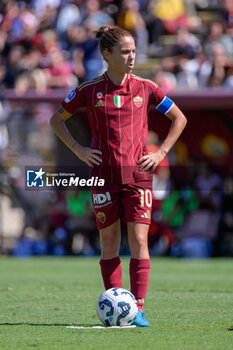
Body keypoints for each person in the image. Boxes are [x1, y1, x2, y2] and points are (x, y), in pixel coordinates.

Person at [50, 25, 187, 327]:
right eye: (125, 52)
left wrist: (161, 152)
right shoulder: (89, 91)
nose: (131, 57)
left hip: (139, 177)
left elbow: (179, 118)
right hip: (103, 177)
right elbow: (56, 119)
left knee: (139, 240)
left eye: (134, 51)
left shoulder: (146, 88)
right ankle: (116, 306)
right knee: (109, 242)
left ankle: (138, 309)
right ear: (107, 54)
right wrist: (79, 150)